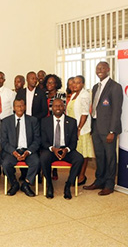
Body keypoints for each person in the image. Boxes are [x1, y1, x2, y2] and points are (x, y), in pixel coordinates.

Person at [84, 61, 123, 196]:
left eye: (102, 68)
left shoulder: (115, 87)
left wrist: (112, 131)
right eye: (97, 68)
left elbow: (117, 111)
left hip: (108, 131)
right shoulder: (95, 87)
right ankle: (99, 180)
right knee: (99, 156)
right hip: (95, 127)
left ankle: (109, 184)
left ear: (108, 69)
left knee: (110, 157)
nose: (99, 70)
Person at [40, 99, 84, 199]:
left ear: (64, 107)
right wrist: (53, 149)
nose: (58, 108)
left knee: (79, 158)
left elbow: (74, 141)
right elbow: (43, 141)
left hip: (66, 150)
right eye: (55, 106)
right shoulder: (45, 121)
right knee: (43, 158)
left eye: (60, 106)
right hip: (52, 150)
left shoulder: (72, 121)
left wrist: (66, 150)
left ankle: (68, 185)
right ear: (52, 108)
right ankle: (49, 186)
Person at [1, 99, 40, 197]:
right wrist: (13, 152)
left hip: (28, 150)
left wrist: (28, 152)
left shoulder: (33, 120)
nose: (20, 108)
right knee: (6, 164)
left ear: (25, 107)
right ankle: (14, 183)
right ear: (13, 108)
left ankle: (26, 184)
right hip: (13, 151)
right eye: (17, 106)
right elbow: (3, 141)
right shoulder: (6, 121)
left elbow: (37, 140)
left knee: (36, 162)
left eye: (22, 105)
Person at [66, 76, 95, 185]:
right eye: (74, 83)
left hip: (81, 130)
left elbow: (85, 113)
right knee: (77, 153)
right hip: (73, 129)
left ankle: (82, 176)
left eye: (78, 83)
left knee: (83, 154)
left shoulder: (84, 95)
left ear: (83, 84)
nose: (75, 85)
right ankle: (76, 175)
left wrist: (79, 128)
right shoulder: (74, 94)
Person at [44, 74, 66, 180]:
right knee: (45, 146)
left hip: (57, 122)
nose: (49, 84)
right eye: (48, 82)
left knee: (56, 143)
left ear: (56, 84)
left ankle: (55, 169)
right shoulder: (44, 94)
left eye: (52, 82)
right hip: (45, 124)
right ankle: (44, 169)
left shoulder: (61, 95)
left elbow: (63, 110)